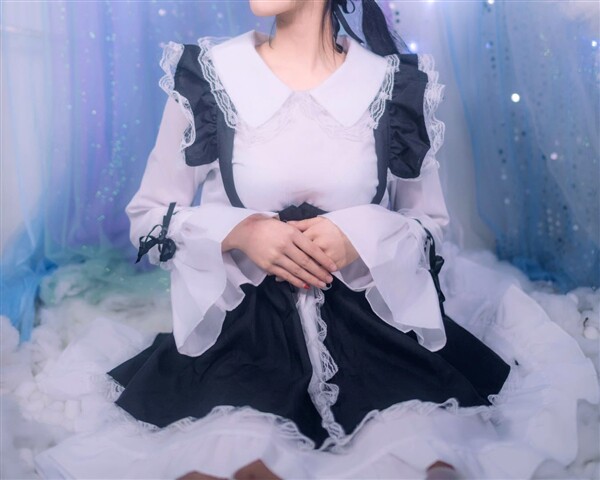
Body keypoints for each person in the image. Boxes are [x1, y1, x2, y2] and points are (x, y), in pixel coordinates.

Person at [33, 1, 599, 479]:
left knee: (423, 462)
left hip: (374, 332)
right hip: (244, 333)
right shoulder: (209, 75)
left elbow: (429, 228)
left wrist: (360, 234)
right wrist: (239, 231)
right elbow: (149, 218)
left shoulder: (395, 85)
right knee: (233, 462)